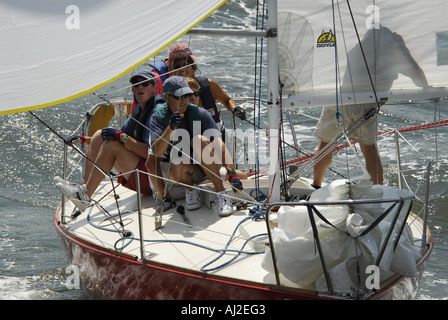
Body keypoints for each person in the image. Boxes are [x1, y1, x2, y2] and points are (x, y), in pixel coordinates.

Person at [55, 70, 158, 212]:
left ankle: (85, 196)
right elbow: (116, 136)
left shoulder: (156, 114)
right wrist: (84, 140)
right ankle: (84, 186)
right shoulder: (139, 111)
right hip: (141, 173)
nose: (140, 87)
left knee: (112, 146)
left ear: (155, 88)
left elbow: (153, 153)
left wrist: (122, 137)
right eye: (136, 84)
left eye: (145, 84)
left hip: (154, 179)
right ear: (133, 89)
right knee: (100, 134)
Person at [148, 76, 235, 217]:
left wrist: (232, 172)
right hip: (185, 171)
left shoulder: (201, 113)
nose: (184, 100)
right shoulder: (158, 117)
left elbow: (219, 144)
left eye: (187, 95)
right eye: (179, 96)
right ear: (166, 97)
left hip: (209, 167)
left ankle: (222, 195)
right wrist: (170, 128)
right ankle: (191, 189)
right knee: (176, 162)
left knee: (199, 140)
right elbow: (156, 152)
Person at [186, 76, 246, 185]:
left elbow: (219, 145)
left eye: (196, 94)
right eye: (189, 95)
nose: (193, 97)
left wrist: (232, 173)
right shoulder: (171, 117)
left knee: (242, 176)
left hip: (208, 162)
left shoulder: (203, 114)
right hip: (187, 168)